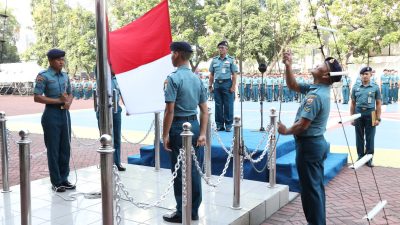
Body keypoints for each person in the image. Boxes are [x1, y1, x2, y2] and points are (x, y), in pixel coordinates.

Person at [278, 51, 343, 225]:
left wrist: (285, 131)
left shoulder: (316, 96)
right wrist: (288, 66)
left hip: (309, 147)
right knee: (315, 188)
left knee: (310, 191)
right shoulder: (317, 88)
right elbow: (293, 85)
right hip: (313, 145)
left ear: (325, 75)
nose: (317, 64)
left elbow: (302, 125)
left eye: (322, 65)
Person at [162, 41, 208, 223]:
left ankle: (182, 212)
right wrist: (203, 133)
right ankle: (194, 210)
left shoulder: (173, 78)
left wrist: (165, 134)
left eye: (172, 53)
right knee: (195, 169)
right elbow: (204, 110)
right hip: (195, 126)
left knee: (180, 170)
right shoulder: (197, 79)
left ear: (178, 54)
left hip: (178, 127)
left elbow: (170, 111)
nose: (171, 56)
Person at [33, 49, 75, 192]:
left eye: (63, 59)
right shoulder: (43, 76)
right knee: (53, 150)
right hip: (51, 115)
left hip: (65, 114)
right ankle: (56, 182)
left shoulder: (65, 76)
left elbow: (70, 93)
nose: (61, 62)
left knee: (65, 148)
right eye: (58, 60)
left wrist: (68, 102)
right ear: (51, 61)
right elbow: (37, 97)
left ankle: (64, 178)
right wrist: (58, 101)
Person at [94, 67, 126, 171]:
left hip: (116, 110)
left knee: (116, 138)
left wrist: (129, 108)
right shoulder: (101, 79)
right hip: (103, 111)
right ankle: (106, 162)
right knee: (104, 137)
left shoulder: (118, 80)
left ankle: (117, 162)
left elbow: (123, 95)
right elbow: (98, 66)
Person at [350, 67, 382, 167]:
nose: (365, 76)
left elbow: (378, 104)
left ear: (370, 75)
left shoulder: (375, 87)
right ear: (360, 75)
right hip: (358, 113)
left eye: (367, 74)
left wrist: (377, 118)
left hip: (371, 113)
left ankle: (369, 158)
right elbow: (353, 103)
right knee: (359, 136)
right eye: (363, 74)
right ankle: (360, 156)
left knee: (370, 137)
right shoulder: (355, 87)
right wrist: (352, 117)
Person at [208, 41, 238, 132]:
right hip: (217, 84)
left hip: (227, 83)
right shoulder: (214, 60)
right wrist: (210, 85)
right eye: (219, 48)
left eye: (222, 48)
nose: (220, 49)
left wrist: (233, 86)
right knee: (218, 105)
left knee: (228, 105)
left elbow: (234, 74)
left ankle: (228, 124)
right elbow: (212, 74)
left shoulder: (231, 60)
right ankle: (219, 125)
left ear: (226, 49)